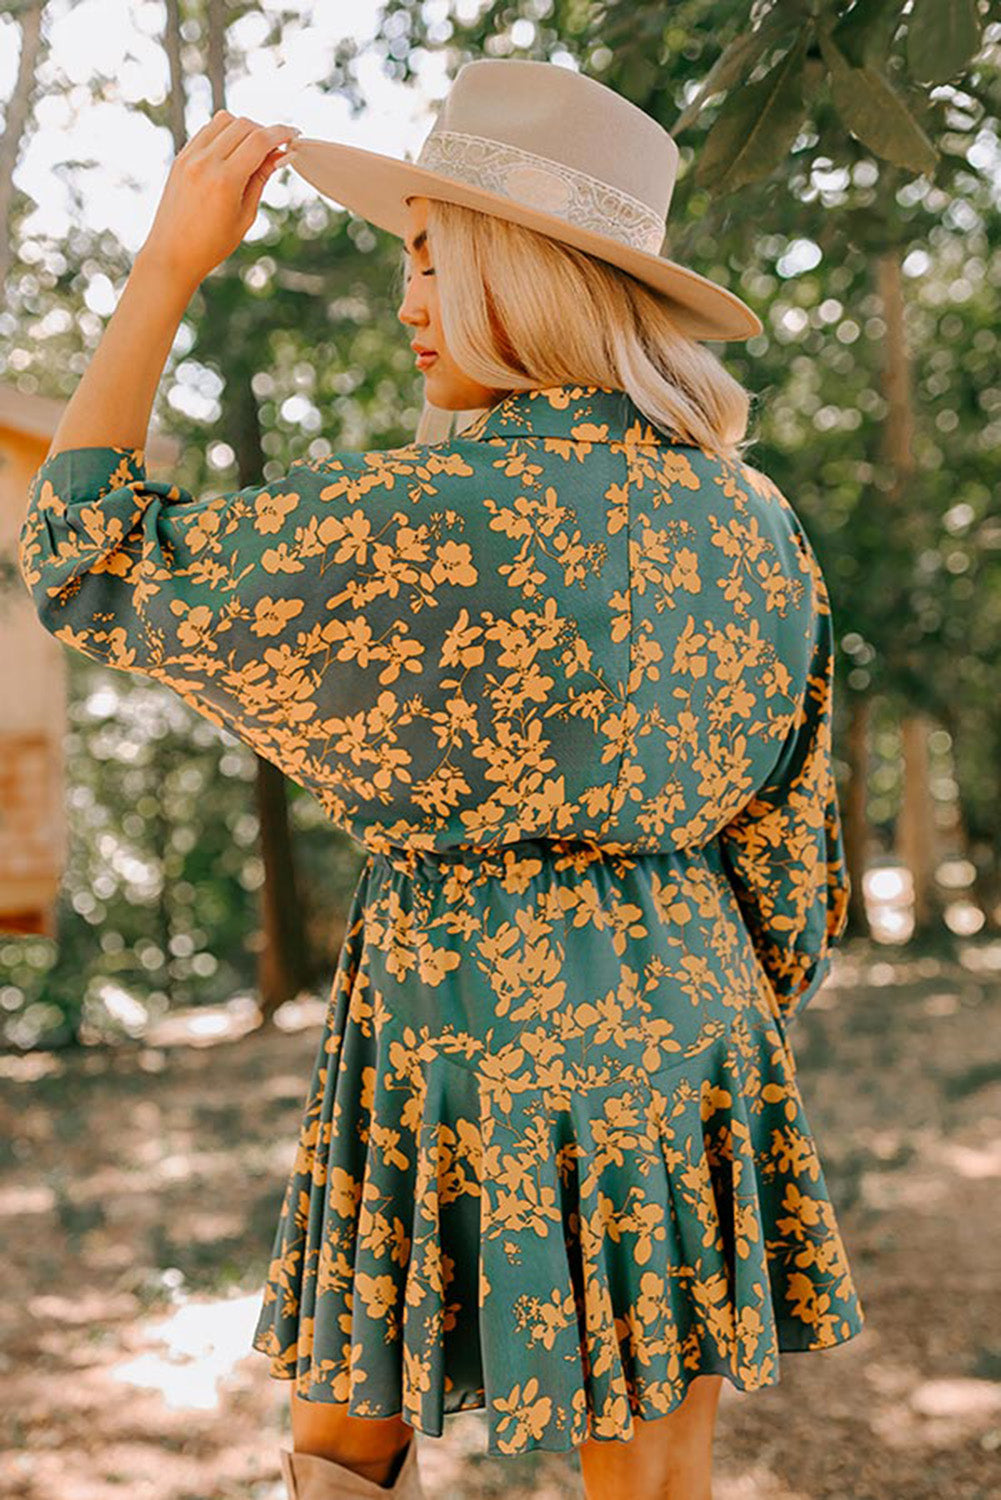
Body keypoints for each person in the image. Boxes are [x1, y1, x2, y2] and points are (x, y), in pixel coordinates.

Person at [18, 57, 865, 1500]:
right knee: (652, 1463)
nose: (409, 305)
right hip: (682, 1001)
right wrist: (709, 1013)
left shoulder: (415, 519)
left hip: (447, 1002)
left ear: (514, 276)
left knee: (352, 1422)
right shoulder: (751, 516)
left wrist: (167, 267)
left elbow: (83, 549)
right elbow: (792, 844)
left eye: (429, 260)